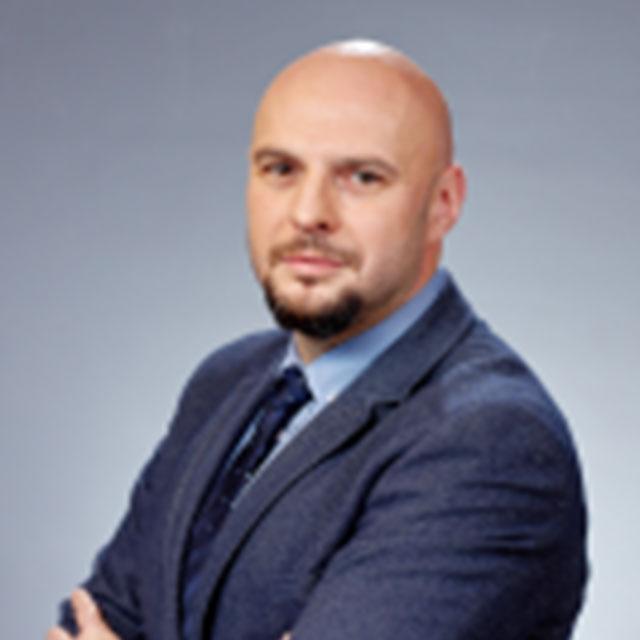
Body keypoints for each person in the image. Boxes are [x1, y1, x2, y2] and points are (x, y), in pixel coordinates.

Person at [48, 39, 587, 640]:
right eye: (280, 169)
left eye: (362, 177)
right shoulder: (224, 381)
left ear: (443, 203)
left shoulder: (489, 438)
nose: (308, 213)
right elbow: (87, 620)